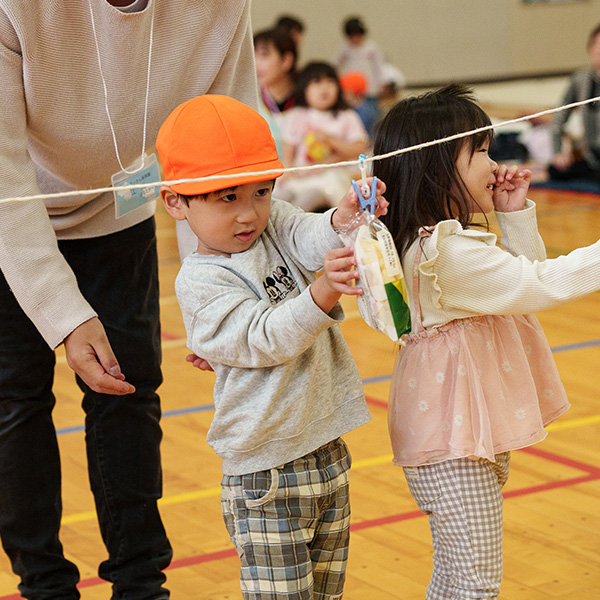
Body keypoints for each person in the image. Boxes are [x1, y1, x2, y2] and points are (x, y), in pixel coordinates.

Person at [0, 1, 258, 599]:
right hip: (13, 219)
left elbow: (225, 153)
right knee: (16, 404)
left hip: (118, 216)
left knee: (129, 395)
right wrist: (66, 318)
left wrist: (221, 299)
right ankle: (44, 586)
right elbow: (4, 173)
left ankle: (141, 583)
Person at [372, 84, 600, 599]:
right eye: (480, 151)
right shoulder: (445, 254)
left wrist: (512, 213)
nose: (494, 164)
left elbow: (518, 286)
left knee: (457, 577)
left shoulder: (436, 241)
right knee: (475, 584)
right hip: (453, 439)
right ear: (435, 167)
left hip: (462, 433)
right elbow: (536, 284)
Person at [155, 94, 387, 599]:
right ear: (176, 202)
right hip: (266, 472)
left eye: (261, 191)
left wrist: (342, 218)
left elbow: (308, 233)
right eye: (227, 198)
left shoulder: (272, 220)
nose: (249, 214)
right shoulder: (200, 281)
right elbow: (265, 338)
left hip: (326, 450)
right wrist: (321, 291)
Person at [278, 61, 369, 211]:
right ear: (304, 88)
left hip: (330, 178)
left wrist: (330, 140)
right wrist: (286, 176)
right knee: (279, 198)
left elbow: (359, 149)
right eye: (317, 82)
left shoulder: (347, 116)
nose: (324, 88)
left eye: (330, 82)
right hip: (299, 176)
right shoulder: (296, 115)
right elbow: (288, 156)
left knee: (305, 201)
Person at [549, 22, 600, 182]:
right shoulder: (580, 79)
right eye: (596, 44)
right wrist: (558, 151)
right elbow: (559, 116)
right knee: (555, 171)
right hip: (592, 158)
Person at [254, 27, 298, 159]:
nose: (256, 63)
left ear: (286, 60)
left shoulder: (309, 99)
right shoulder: (250, 100)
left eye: (264, 55)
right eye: (253, 55)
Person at [336, 17, 384, 130]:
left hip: (370, 90)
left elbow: (379, 67)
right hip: (352, 91)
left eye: (358, 35)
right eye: (352, 36)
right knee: (356, 118)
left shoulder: (371, 48)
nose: (355, 39)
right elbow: (336, 64)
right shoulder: (345, 49)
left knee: (372, 116)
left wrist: (381, 83)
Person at [339, 70, 380, 139]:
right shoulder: (354, 108)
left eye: (345, 92)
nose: (342, 95)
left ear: (356, 93)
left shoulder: (366, 112)